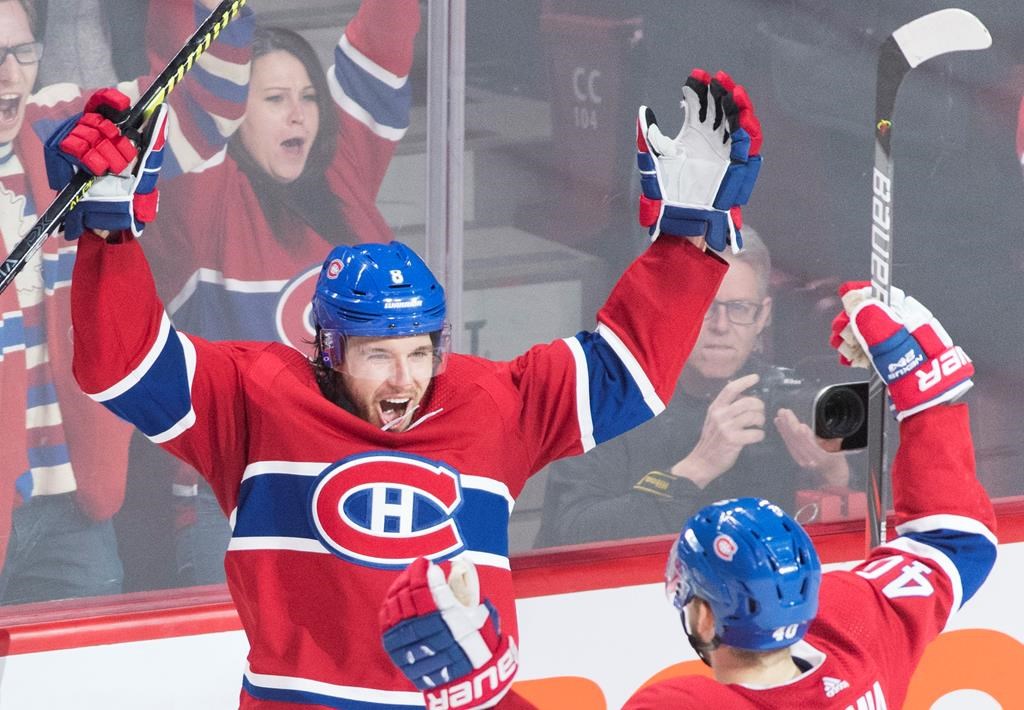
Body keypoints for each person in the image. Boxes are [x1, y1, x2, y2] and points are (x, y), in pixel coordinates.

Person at [55, 68, 760, 707]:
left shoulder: (490, 403)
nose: (406, 379)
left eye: (420, 353)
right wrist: (108, 235)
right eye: (379, 355)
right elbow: (123, 365)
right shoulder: (258, 399)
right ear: (329, 350)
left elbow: (626, 371)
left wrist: (685, 240)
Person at [127, 0, 423, 588]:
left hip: (365, 483)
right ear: (233, 112)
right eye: (274, 99)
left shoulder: (342, 178)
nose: (299, 116)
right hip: (240, 507)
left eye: (309, 97)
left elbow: (386, 36)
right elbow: (190, 75)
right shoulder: (203, 202)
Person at [622, 282, 993, 708]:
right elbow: (956, 543)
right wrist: (928, 401)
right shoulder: (858, 640)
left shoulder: (683, 704)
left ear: (703, 618)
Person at [0, 0, 251, 604]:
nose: (8, 74)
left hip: (75, 516)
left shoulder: (59, 126)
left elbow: (208, 103)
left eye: (20, 51)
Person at [536, 226, 850, 547]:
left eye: (739, 308)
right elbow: (568, 537)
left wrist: (832, 477)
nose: (721, 326)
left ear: (763, 316)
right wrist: (697, 467)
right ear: (669, 308)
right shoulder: (606, 399)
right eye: (704, 306)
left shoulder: (781, 400)